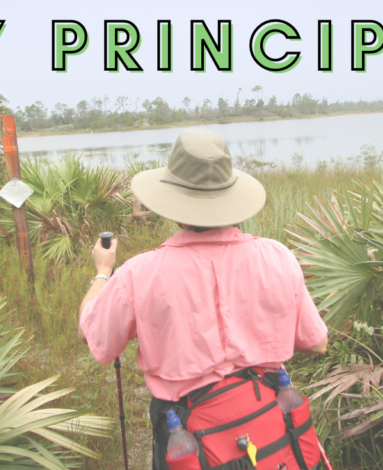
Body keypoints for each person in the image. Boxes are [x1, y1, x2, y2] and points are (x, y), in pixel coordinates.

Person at [79, 128, 328, 470]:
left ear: (174, 205)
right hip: (270, 421)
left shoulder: (139, 274)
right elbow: (317, 343)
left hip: (186, 433)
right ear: (231, 197)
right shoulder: (277, 256)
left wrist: (102, 272)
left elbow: (95, 339)